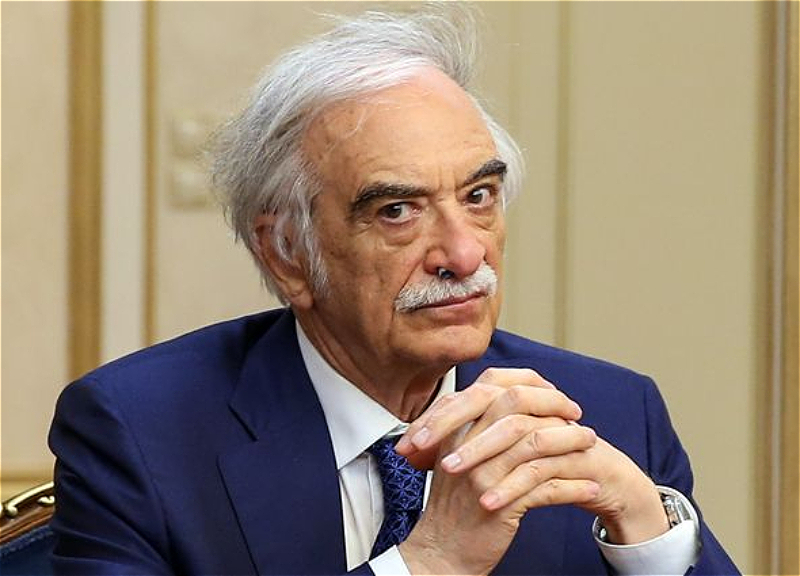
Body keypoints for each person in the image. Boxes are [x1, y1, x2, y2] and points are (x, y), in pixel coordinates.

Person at [49, 6, 739, 576]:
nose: (464, 254)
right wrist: (429, 562)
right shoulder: (141, 432)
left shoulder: (610, 411)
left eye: (478, 196)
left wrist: (648, 538)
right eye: (397, 211)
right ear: (287, 253)